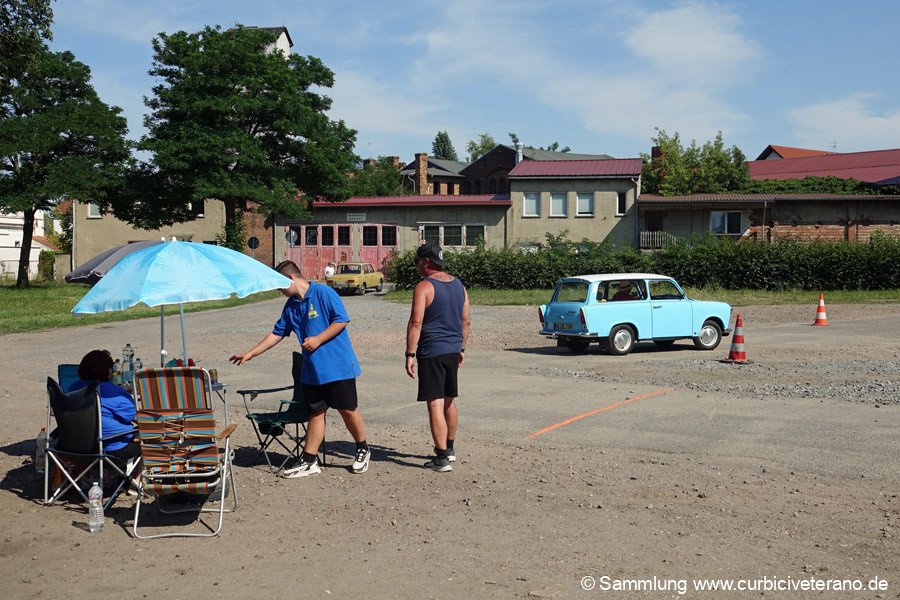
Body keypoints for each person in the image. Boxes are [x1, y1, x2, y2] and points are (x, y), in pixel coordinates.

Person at [229, 260, 370, 478]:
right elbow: (277, 333)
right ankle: (309, 461)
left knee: (347, 409)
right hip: (312, 370)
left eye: (280, 286)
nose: (280, 291)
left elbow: (341, 320)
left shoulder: (324, 292)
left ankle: (362, 449)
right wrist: (250, 353)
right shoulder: (291, 305)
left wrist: (318, 339)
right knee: (315, 413)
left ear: (290, 279)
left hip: (338, 366)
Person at [405, 242, 470, 472]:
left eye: (418, 263)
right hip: (452, 349)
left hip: (431, 351)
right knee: (449, 399)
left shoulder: (424, 286)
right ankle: (449, 450)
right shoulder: (459, 285)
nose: (417, 267)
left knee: (435, 403)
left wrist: (409, 354)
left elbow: (416, 322)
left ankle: (441, 458)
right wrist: (461, 348)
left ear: (426, 262)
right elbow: (466, 320)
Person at [68, 350, 141, 492]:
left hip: (75, 450)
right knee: (150, 437)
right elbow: (139, 419)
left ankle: (115, 476)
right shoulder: (111, 391)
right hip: (111, 449)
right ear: (107, 371)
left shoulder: (74, 388)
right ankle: (137, 482)